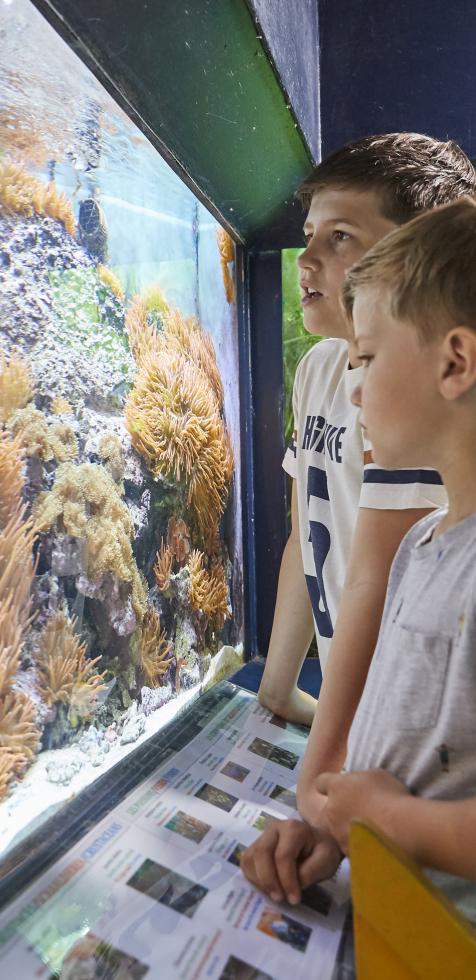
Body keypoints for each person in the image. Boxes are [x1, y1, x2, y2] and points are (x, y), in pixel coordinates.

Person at [242, 198, 476, 919]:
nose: (354, 387)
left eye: (367, 357)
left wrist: (386, 823)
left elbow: (400, 807)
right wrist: (334, 835)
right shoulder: (421, 546)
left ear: (456, 362)